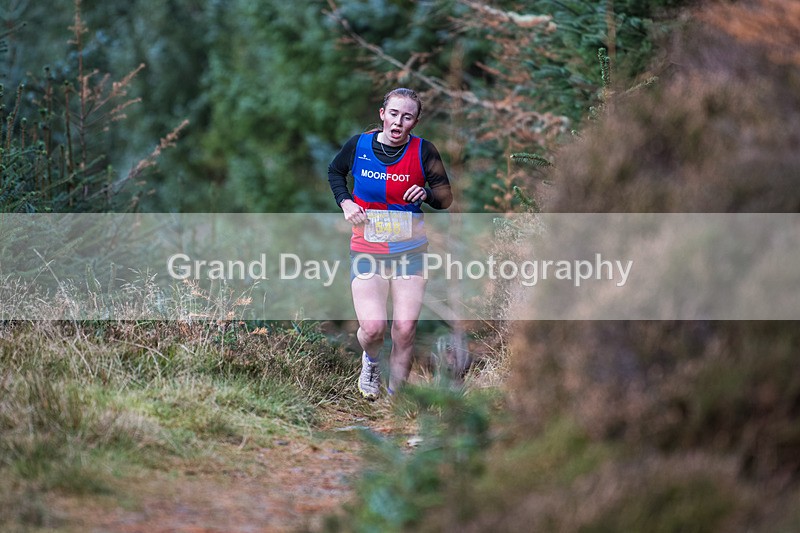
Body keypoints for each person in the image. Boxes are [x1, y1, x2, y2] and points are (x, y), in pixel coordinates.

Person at [328, 87, 452, 400]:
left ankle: (396, 400)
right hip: (368, 249)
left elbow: (445, 198)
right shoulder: (359, 145)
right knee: (372, 329)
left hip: (410, 252)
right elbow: (335, 172)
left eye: (407, 116)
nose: (399, 121)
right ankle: (370, 362)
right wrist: (345, 203)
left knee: (405, 329)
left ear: (415, 121)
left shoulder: (424, 151)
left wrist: (426, 194)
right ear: (382, 114)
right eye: (394, 114)